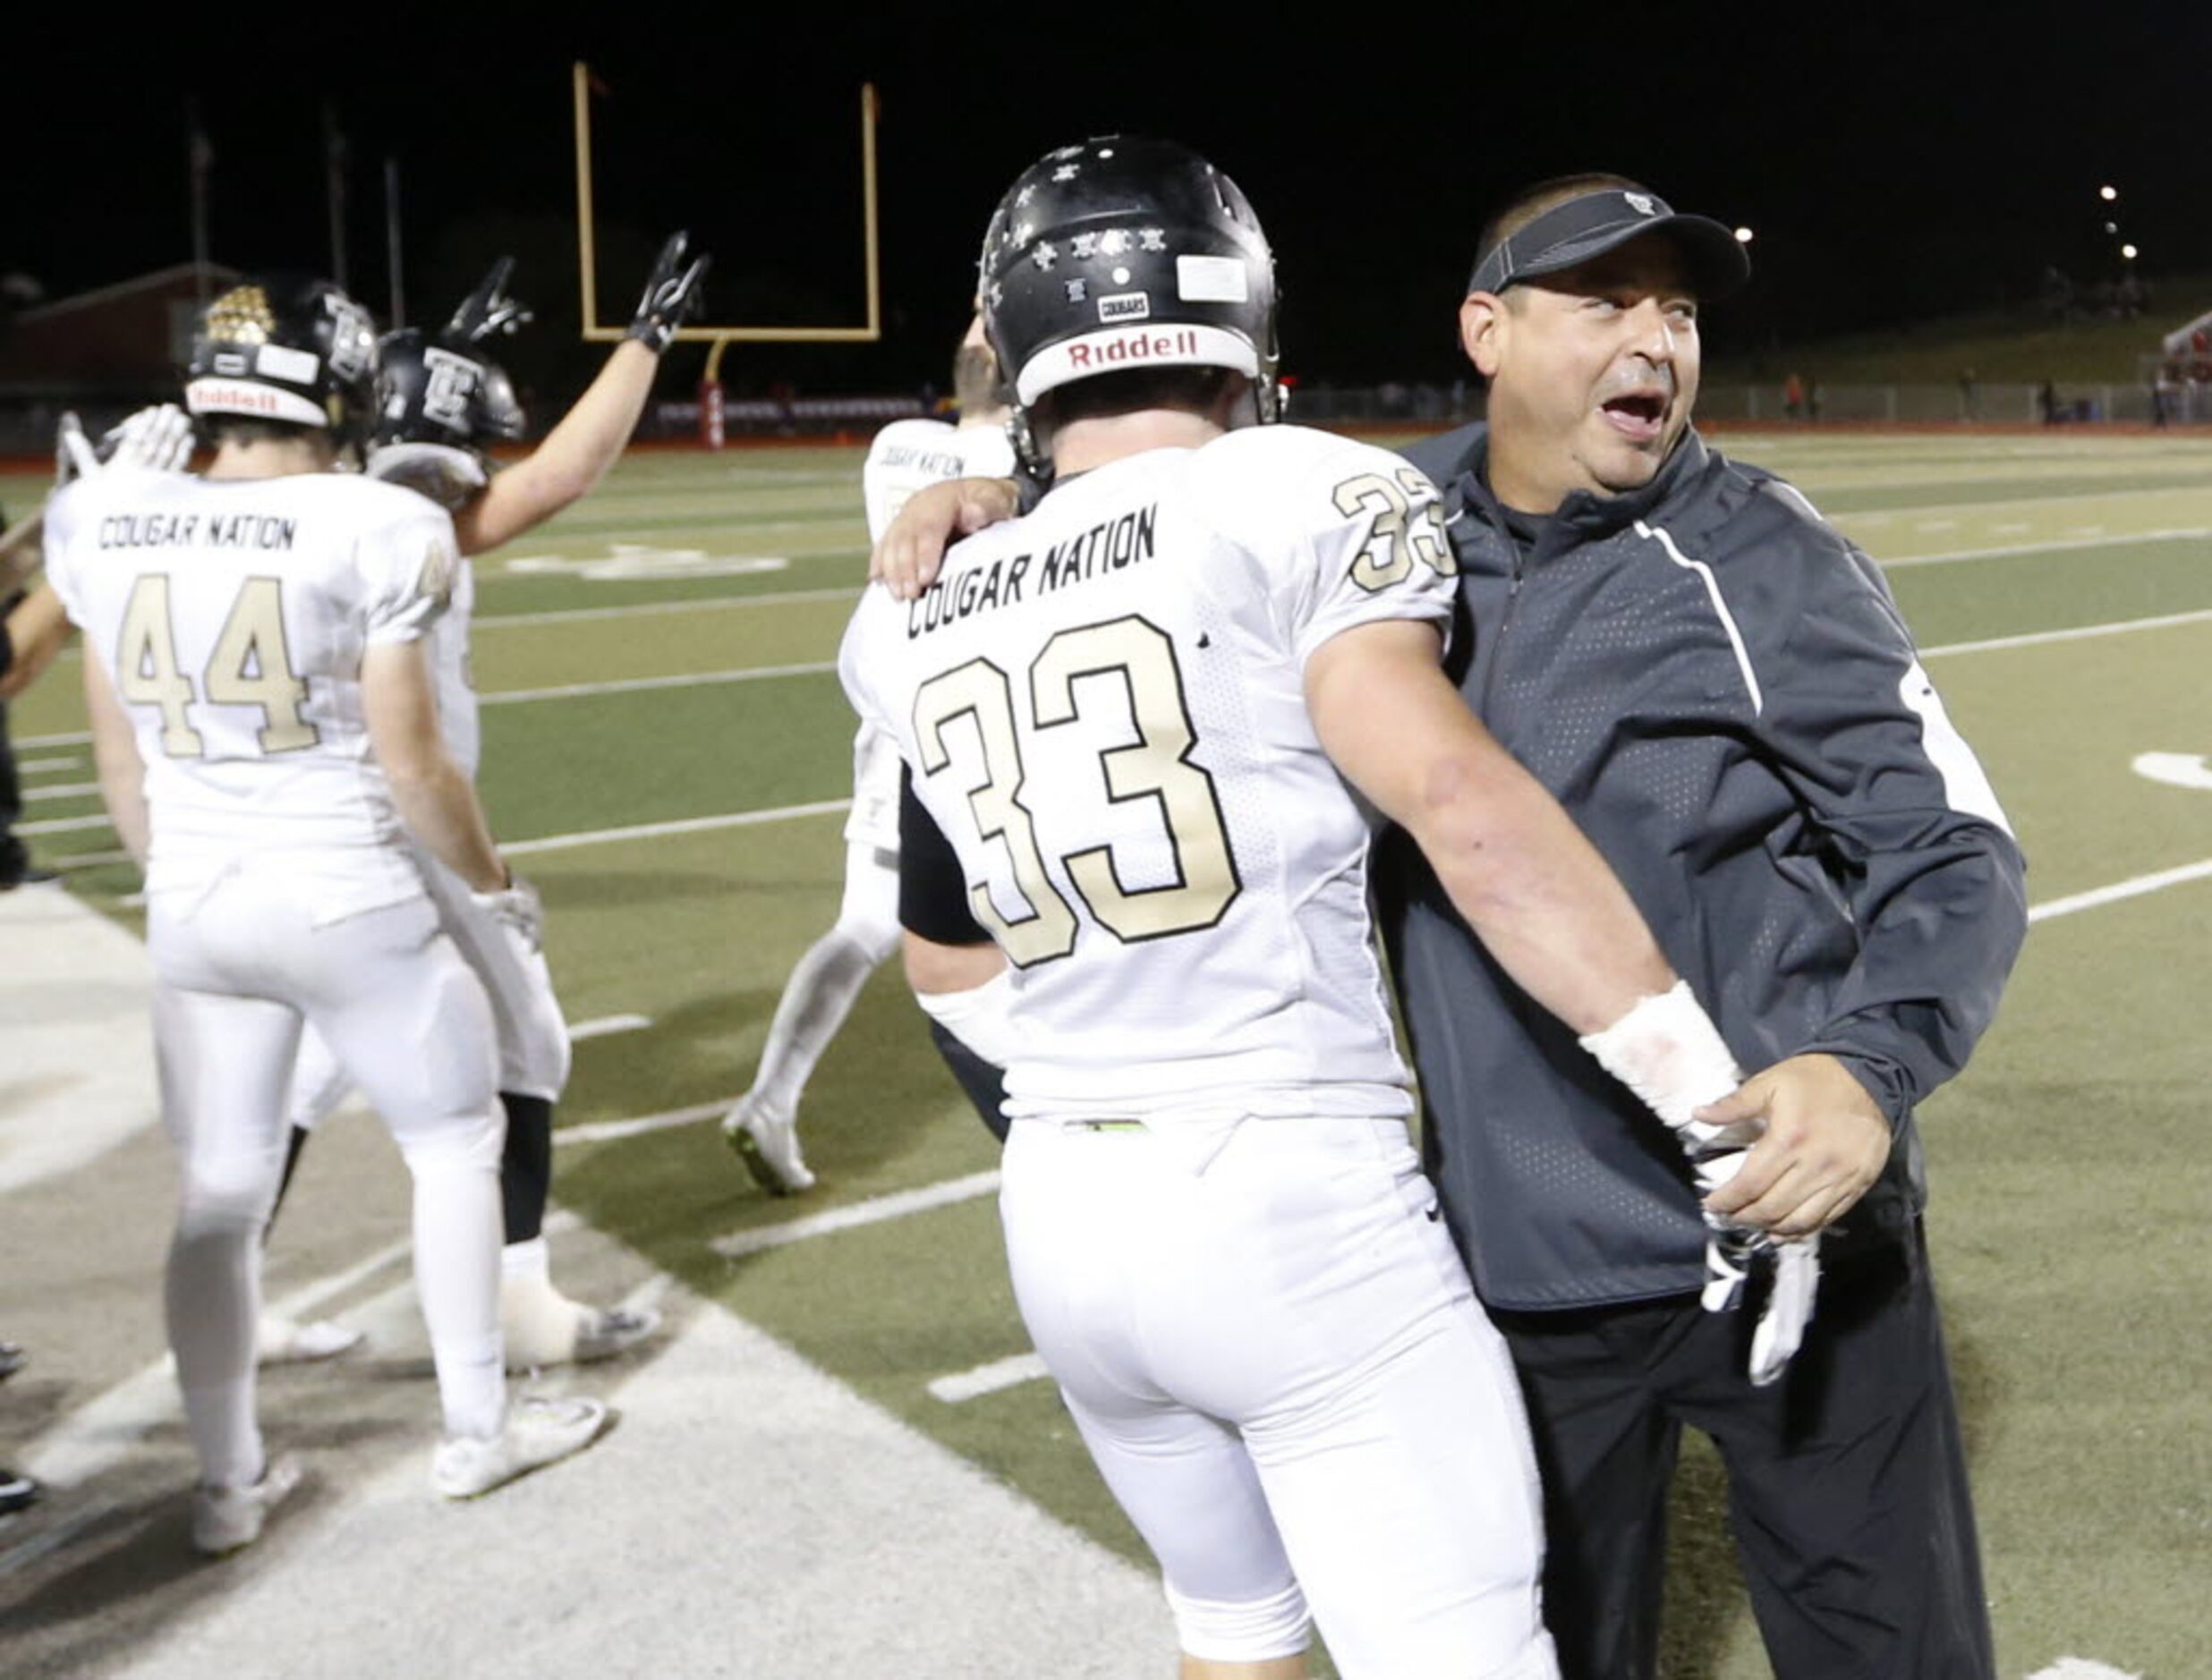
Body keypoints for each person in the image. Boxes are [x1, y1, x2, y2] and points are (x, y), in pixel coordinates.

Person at [851, 135, 1795, 1680]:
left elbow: (946, 951)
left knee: (1233, 1633)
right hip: (1291, 1192)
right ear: (1243, 324)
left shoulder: (917, 599)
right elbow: (1464, 813)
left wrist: (1073, 1132)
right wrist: (1709, 1101)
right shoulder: (1293, 491)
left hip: (1067, 1220)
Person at [1377, 174, 2027, 1678]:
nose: (1654, 338)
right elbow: (1159, 516)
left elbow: (1951, 848)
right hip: (1519, 1259)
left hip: (1794, 1237)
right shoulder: (1374, 533)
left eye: (1673, 308)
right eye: (1604, 299)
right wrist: (997, 493)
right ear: (1486, 329)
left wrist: (1868, 1066)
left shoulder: (1758, 558)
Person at [43, 275, 612, 1554]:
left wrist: (175, 875)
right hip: (348, 891)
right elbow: (416, 766)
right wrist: (492, 886)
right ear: (338, 387)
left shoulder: (108, 516)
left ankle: (228, 1483)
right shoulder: (375, 521)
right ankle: (477, 1433)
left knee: (220, 1194)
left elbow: (116, 754)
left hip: (196, 899)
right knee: (454, 1145)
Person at [259, 241, 708, 1367]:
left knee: (303, 1070)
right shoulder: (411, 523)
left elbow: (422, 451)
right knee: (527, 1043)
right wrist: (647, 341)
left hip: (288, 833)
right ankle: (521, 1310)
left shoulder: (320, 509)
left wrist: (443, 356)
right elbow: (556, 475)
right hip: (399, 835)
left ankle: (226, 1294)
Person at [721, 310, 1016, 1192]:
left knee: (864, 926)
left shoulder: (899, 446)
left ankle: (771, 1100)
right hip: (977, 732)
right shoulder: (1025, 468)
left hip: (889, 719)